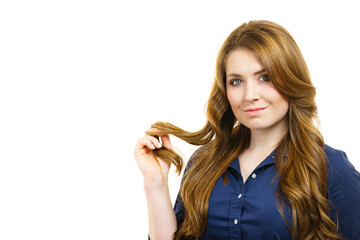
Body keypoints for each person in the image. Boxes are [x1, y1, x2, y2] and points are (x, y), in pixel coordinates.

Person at [134, 20, 360, 240]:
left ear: (292, 78)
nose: (250, 95)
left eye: (265, 77)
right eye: (236, 81)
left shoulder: (331, 168)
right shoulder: (204, 162)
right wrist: (155, 183)